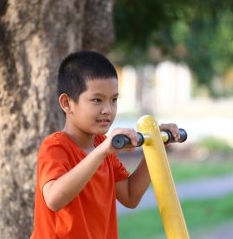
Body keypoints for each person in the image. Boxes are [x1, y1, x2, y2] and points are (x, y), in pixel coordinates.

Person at [30, 50, 180, 239]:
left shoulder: (102, 146)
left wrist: (157, 147)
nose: (108, 110)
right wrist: (103, 151)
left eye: (114, 100)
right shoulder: (55, 146)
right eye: (97, 100)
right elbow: (53, 199)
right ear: (67, 103)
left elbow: (130, 196)